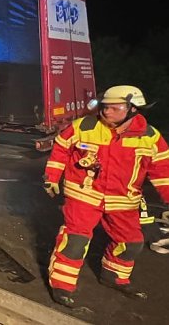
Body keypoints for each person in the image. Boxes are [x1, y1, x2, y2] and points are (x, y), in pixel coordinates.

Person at [44, 85, 169, 307]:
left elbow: (163, 171)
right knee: (75, 240)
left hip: (123, 200)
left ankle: (114, 276)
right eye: (105, 107)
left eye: (115, 108)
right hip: (83, 194)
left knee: (131, 243)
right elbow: (61, 147)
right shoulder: (85, 126)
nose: (107, 112)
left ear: (132, 109)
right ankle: (61, 286)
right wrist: (52, 177)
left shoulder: (150, 137)